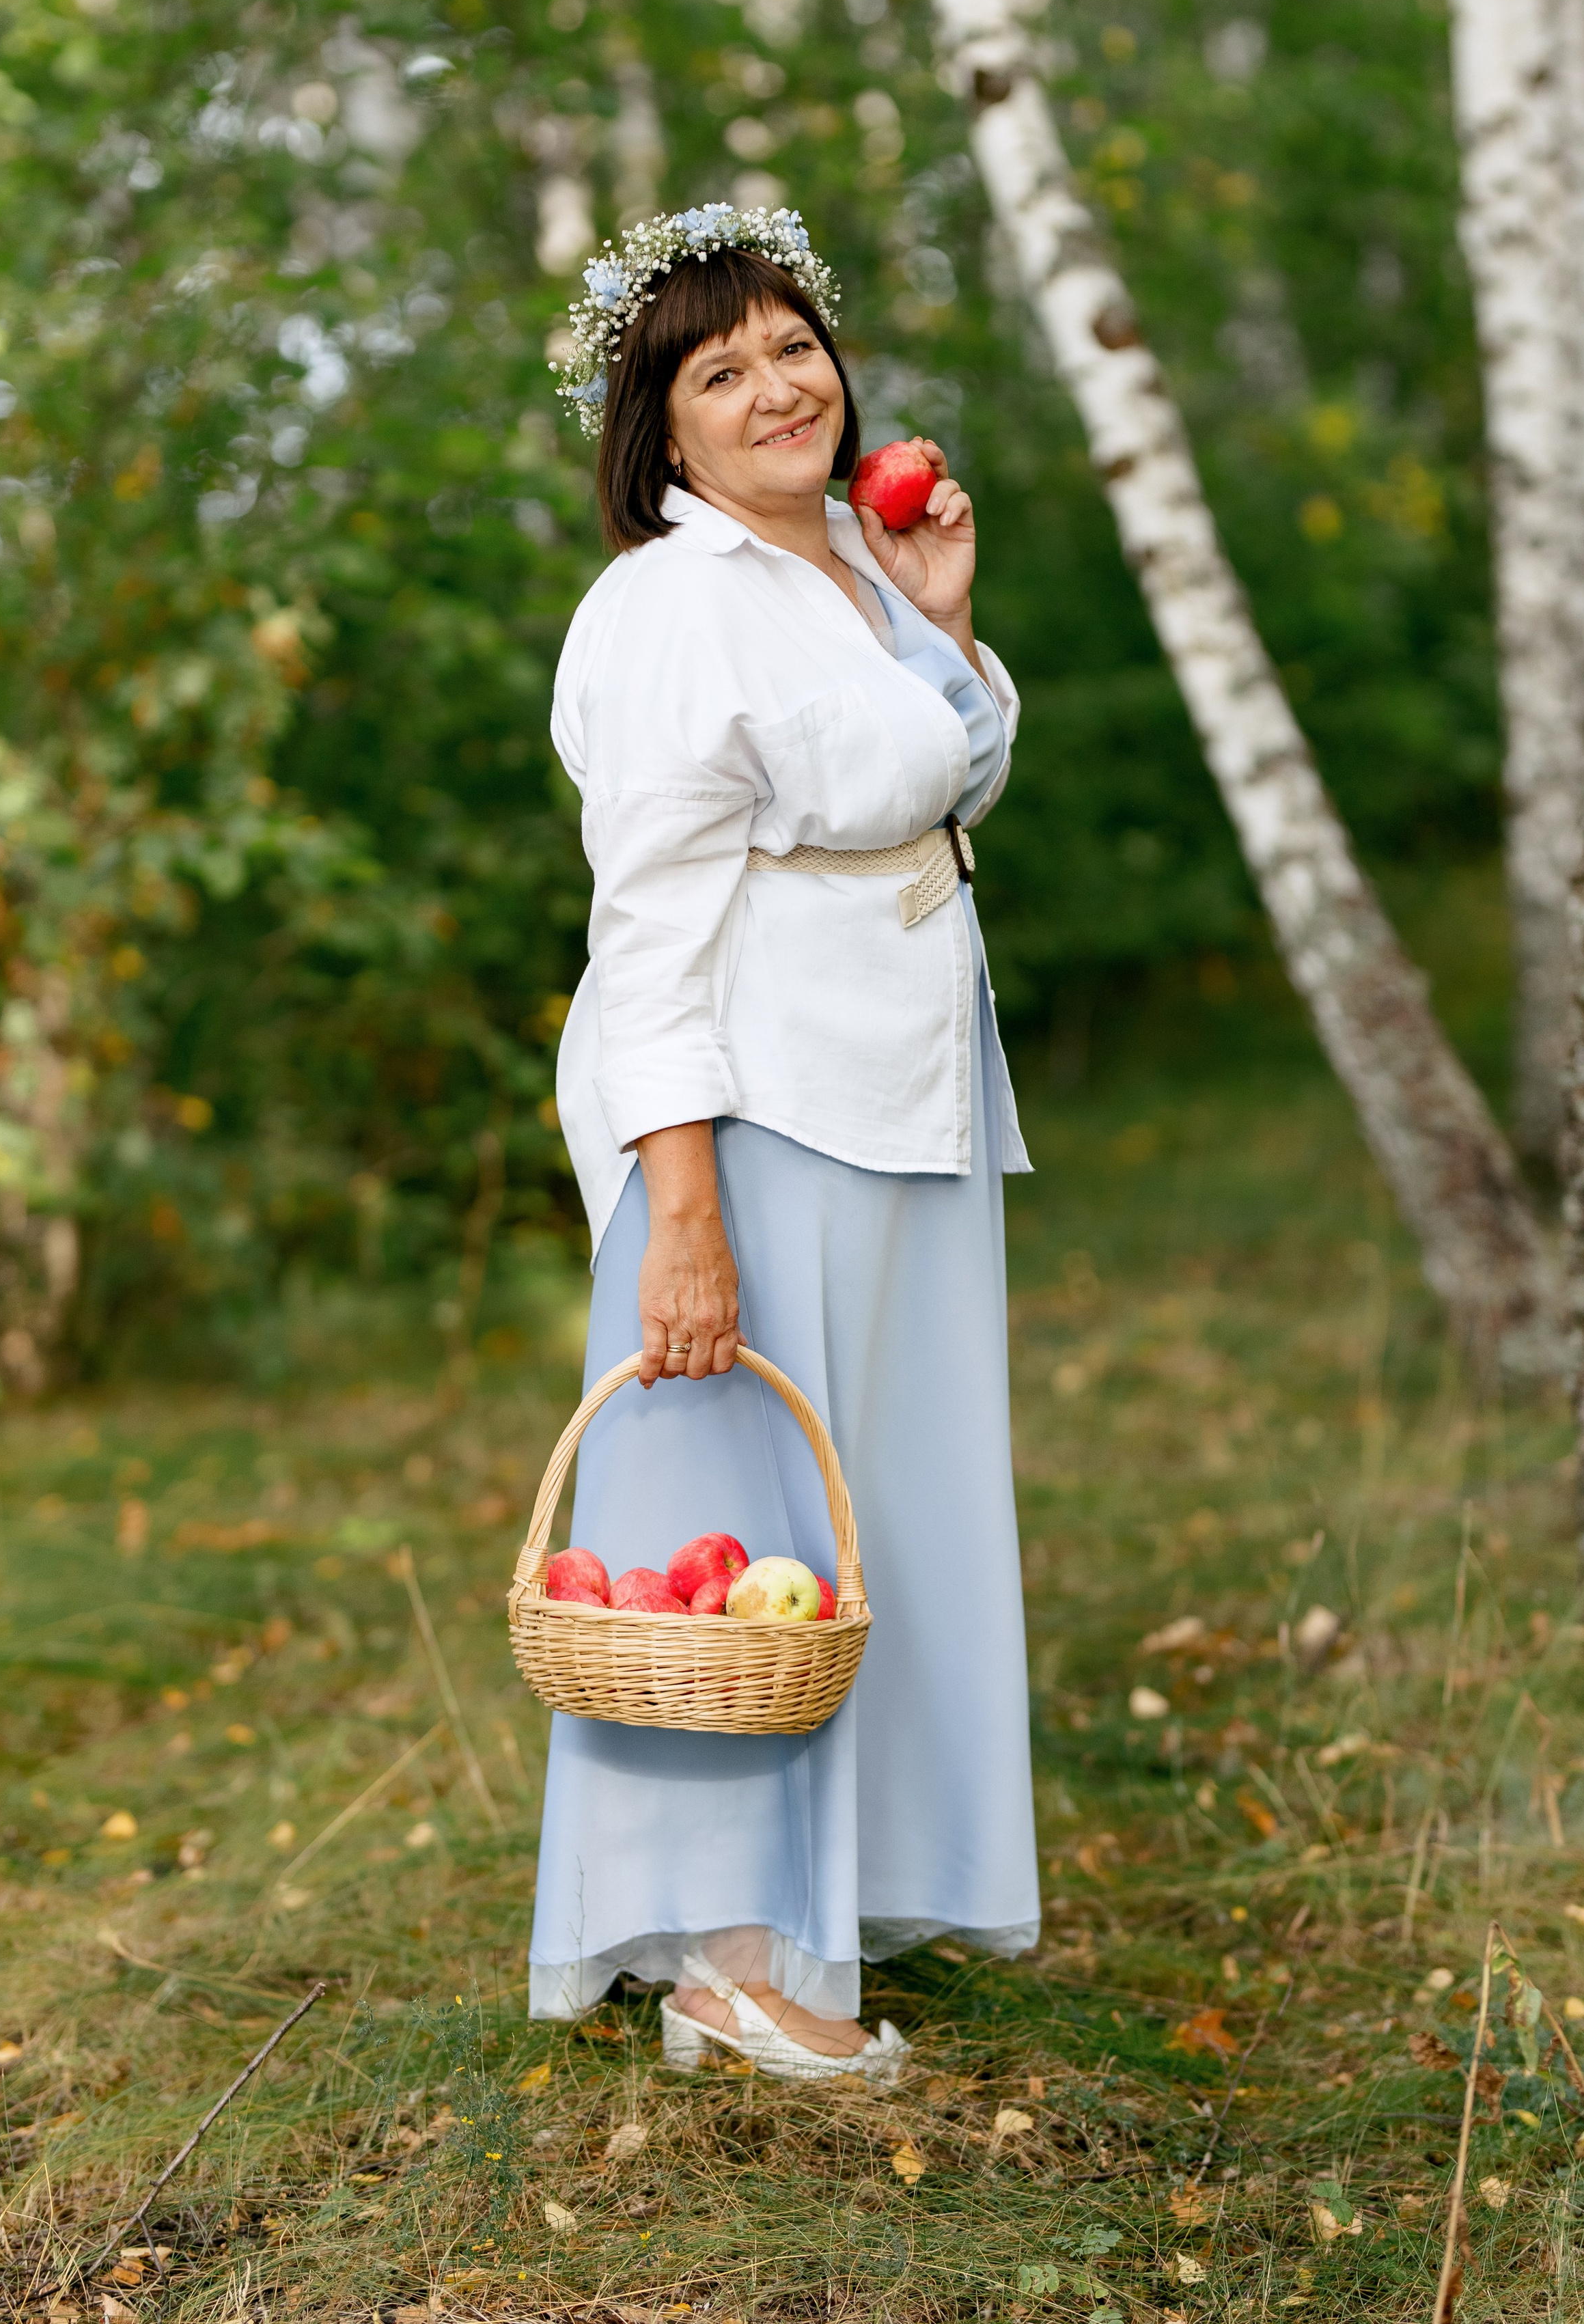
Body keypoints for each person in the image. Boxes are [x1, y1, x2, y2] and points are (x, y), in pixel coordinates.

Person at [529, 202, 1039, 2080]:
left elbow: (946, 773)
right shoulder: (667, 608)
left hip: (899, 1089)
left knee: (871, 1508)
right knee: (743, 1527)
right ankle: (734, 1961)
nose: (774, 390)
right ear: (662, 431)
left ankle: (834, 1902)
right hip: (749, 1112)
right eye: (718, 372)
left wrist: (943, 611)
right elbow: (645, 931)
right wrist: (683, 1218)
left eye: (791, 346)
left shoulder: (845, 557)